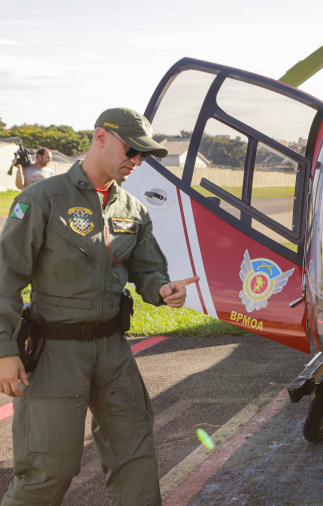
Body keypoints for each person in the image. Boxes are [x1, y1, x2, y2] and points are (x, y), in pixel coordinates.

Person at [0, 107, 200, 505]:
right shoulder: (43, 198)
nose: (137, 162)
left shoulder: (131, 209)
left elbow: (147, 271)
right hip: (55, 350)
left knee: (135, 459)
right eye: (132, 151)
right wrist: (5, 350)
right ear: (101, 137)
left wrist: (163, 290)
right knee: (47, 470)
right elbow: (5, 278)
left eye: (143, 156)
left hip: (112, 349)